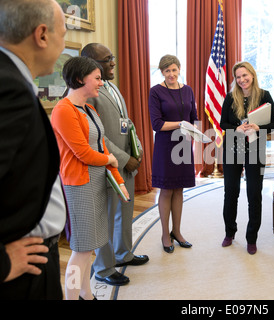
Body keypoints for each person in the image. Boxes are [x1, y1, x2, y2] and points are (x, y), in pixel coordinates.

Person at [0, 0, 67, 300]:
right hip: (22, 271)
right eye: (63, 35)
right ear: (42, 35)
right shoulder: (8, 87)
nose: (63, 46)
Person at [51, 56, 130, 300]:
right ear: (79, 79)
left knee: (89, 248)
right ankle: (73, 296)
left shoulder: (89, 109)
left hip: (97, 182)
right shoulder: (63, 110)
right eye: (96, 78)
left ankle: (86, 294)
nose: (100, 83)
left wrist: (119, 181)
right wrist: (111, 161)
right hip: (79, 186)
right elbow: (83, 153)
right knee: (81, 251)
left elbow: (103, 148)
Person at [81, 43, 149, 286]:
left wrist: (137, 147)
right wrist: (124, 159)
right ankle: (104, 267)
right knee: (107, 217)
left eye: (112, 57)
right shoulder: (88, 93)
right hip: (108, 164)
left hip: (126, 160)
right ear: (91, 63)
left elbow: (125, 122)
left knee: (124, 210)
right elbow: (98, 135)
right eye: (107, 59)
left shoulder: (112, 87)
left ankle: (123, 254)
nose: (113, 62)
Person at [220, 61, 274, 255]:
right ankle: (230, 232)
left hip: (255, 147)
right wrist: (235, 128)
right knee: (231, 192)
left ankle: (251, 238)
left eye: (245, 75)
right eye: (238, 77)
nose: (242, 80)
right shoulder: (230, 97)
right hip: (233, 146)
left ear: (252, 75)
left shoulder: (264, 95)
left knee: (254, 193)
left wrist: (259, 128)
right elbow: (223, 123)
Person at [149, 55, 198, 253]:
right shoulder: (155, 91)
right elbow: (156, 124)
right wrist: (179, 124)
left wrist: (194, 132)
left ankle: (177, 232)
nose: (171, 74)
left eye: (174, 70)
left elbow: (193, 118)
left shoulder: (188, 90)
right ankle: (164, 234)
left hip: (184, 144)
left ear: (179, 69)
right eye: (167, 70)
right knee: (167, 190)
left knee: (179, 190)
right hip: (165, 145)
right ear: (162, 72)